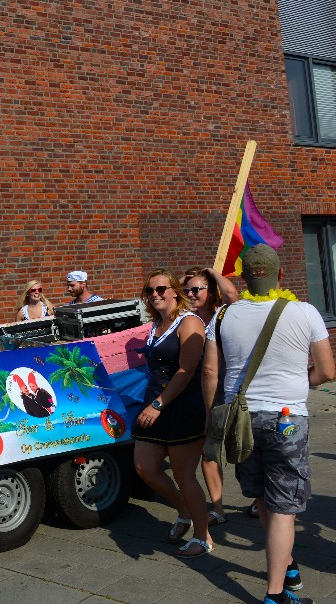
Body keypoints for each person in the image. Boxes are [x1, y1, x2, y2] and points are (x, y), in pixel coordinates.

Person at [203, 244, 334, 604]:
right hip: (286, 419)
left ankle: (288, 564)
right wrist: (295, 382)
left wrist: (214, 417)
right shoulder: (305, 313)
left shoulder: (223, 316)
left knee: (263, 498)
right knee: (283, 509)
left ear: (243, 276)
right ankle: (275, 595)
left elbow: (212, 372)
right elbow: (326, 371)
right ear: (280, 275)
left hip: (239, 417)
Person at [131, 269, 212, 559]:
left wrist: (158, 404)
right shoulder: (156, 325)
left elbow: (187, 370)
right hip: (155, 402)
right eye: (150, 291)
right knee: (145, 467)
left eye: (162, 289)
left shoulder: (189, 322)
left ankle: (203, 537)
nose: (155, 295)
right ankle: (183, 511)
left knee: (183, 474)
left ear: (175, 291)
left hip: (181, 406)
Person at [181, 266, 239, 527]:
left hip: (229, 389)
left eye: (196, 290)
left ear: (210, 291)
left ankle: (259, 500)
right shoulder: (186, 318)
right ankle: (217, 507)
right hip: (199, 392)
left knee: (242, 448)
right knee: (209, 450)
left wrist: (213, 273)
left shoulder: (225, 314)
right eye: (187, 291)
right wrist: (186, 283)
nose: (190, 294)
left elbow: (232, 294)